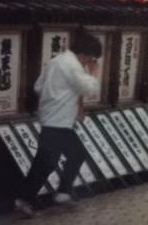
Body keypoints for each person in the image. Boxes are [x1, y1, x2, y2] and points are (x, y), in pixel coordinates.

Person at [15, 32, 103, 218]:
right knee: (76, 154)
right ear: (85, 54)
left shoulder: (56, 61)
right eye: (91, 59)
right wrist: (94, 73)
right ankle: (61, 194)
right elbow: (89, 88)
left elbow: (38, 87)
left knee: (46, 162)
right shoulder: (72, 65)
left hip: (51, 118)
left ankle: (26, 199)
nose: (90, 62)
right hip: (59, 121)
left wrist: (56, 96)